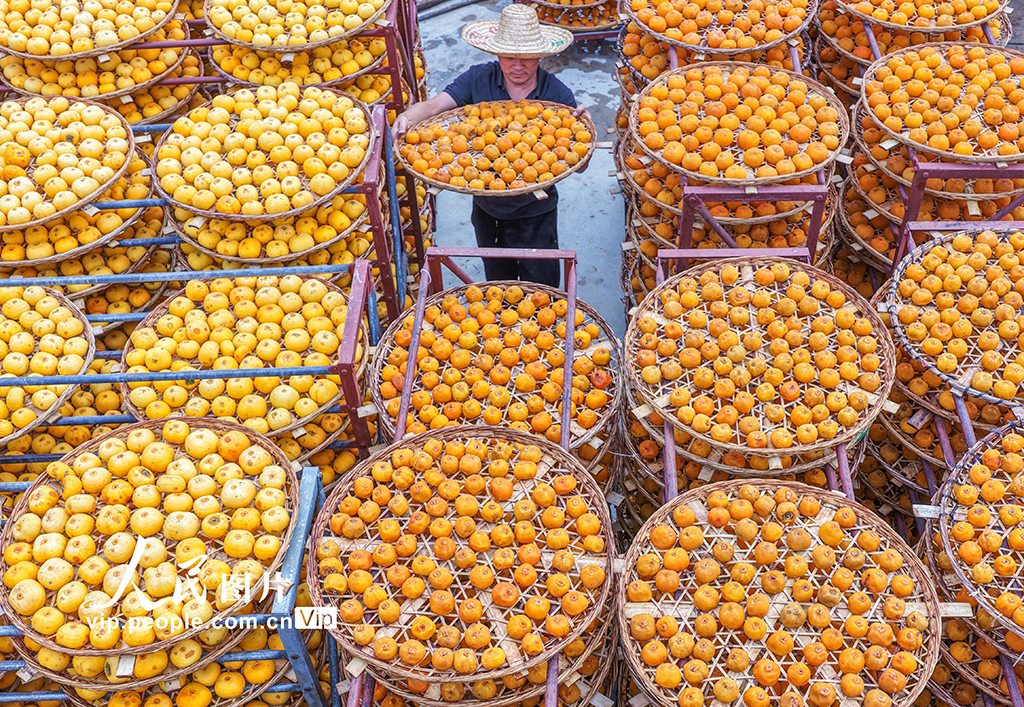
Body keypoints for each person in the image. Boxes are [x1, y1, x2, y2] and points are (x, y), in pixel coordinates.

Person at [393, 4, 589, 288]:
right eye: (509, 57)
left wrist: (582, 129)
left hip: (535, 212)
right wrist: (406, 117)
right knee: (498, 287)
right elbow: (435, 106)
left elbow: (580, 167)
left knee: (542, 288)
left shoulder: (556, 95)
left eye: (526, 58)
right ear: (496, 54)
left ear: (539, 56)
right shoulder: (478, 79)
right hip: (486, 208)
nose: (517, 65)